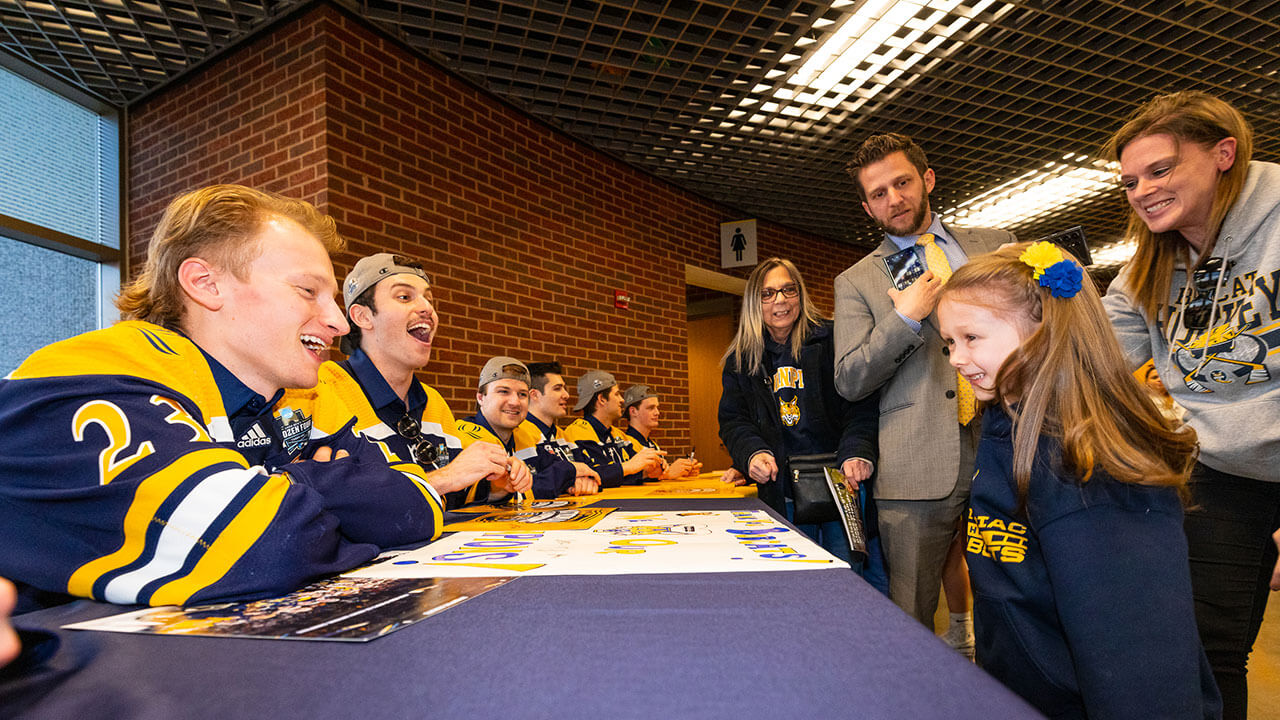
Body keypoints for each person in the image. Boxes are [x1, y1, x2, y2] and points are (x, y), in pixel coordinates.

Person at [0, 185, 446, 612]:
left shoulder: (289, 398)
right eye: (308, 291)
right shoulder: (92, 370)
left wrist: (278, 485)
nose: (339, 322)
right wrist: (316, 482)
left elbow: (415, 504)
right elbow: (262, 546)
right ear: (205, 284)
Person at [937, 241, 1219, 718]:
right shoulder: (1004, 427)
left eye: (971, 338)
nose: (955, 359)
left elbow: (1138, 655)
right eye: (948, 342)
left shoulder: (1091, 465)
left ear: (1042, 331)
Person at [1103, 90, 1280, 720]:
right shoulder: (1153, 255)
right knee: (1209, 651)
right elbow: (1094, 354)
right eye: (1129, 180)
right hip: (1217, 467)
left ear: (1223, 154)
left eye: (1160, 170)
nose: (1142, 190)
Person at [833, 132, 1016, 624]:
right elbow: (849, 378)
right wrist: (905, 320)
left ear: (927, 179)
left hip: (1010, 444)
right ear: (867, 207)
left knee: (1019, 596)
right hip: (915, 465)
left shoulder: (996, 246)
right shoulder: (857, 281)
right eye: (878, 194)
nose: (894, 199)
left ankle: (1003, 697)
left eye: (903, 182)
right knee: (911, 611)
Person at [304, 252, 530, 509]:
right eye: (404, 296)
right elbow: (327, 506)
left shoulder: (432, 401)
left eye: (429, 298)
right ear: (362, 316)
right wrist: (444, 479)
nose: (427, 308)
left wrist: (495, 487)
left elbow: (454, 494)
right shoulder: (319, 389)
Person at [719, 257, 883, 578]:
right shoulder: (742, 359)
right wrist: (753, 452)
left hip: (841, 486)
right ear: (755, 302)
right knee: (796, 581)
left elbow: (862, 405)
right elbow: (734, 420)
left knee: (847, 580)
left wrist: (858, 450)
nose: (779, 300)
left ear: (800, 294)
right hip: (783, 492)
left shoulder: (834, 339)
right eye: (767, 294)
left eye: (787, 290)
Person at [455, 356, 596, 502]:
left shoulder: (522, 435)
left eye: (522, 394)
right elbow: (510, 496)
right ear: (480, 398)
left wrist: (576, 480)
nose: (515, 402)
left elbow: (556, 468)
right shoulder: (464, 437)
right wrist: (569, 473)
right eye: (504, 391)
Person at [563, 370, 663, 487]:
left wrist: (649, 471)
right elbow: (594, 475)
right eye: (616, 394)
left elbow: (633, 472)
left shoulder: (619, 435)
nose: (622, 400)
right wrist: (629, 467)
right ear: (602, 399)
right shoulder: (577, 432)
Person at [525, 361, 602, 493]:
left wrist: (586, 481)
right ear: (535, 395)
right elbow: (533, 486)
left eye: (564, 388)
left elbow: (594, 472)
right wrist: (569, 480)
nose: (566, 395)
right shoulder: (520, 433)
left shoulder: (562, 434)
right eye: (557, 388)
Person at [622, 384, 701, 480]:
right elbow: (627, 480)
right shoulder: (625, 445)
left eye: (657, 407)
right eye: (651, 408)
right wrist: (668, 474)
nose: (657, 413)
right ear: (633, 411)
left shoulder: (652, 444)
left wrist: (683, 471)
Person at [1137, 359, 1187, 425]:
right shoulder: (1146, 403)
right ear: (1147, 384)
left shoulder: (1177, 394)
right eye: (1154, 377)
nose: (1160, 379)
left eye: (1162, 377)